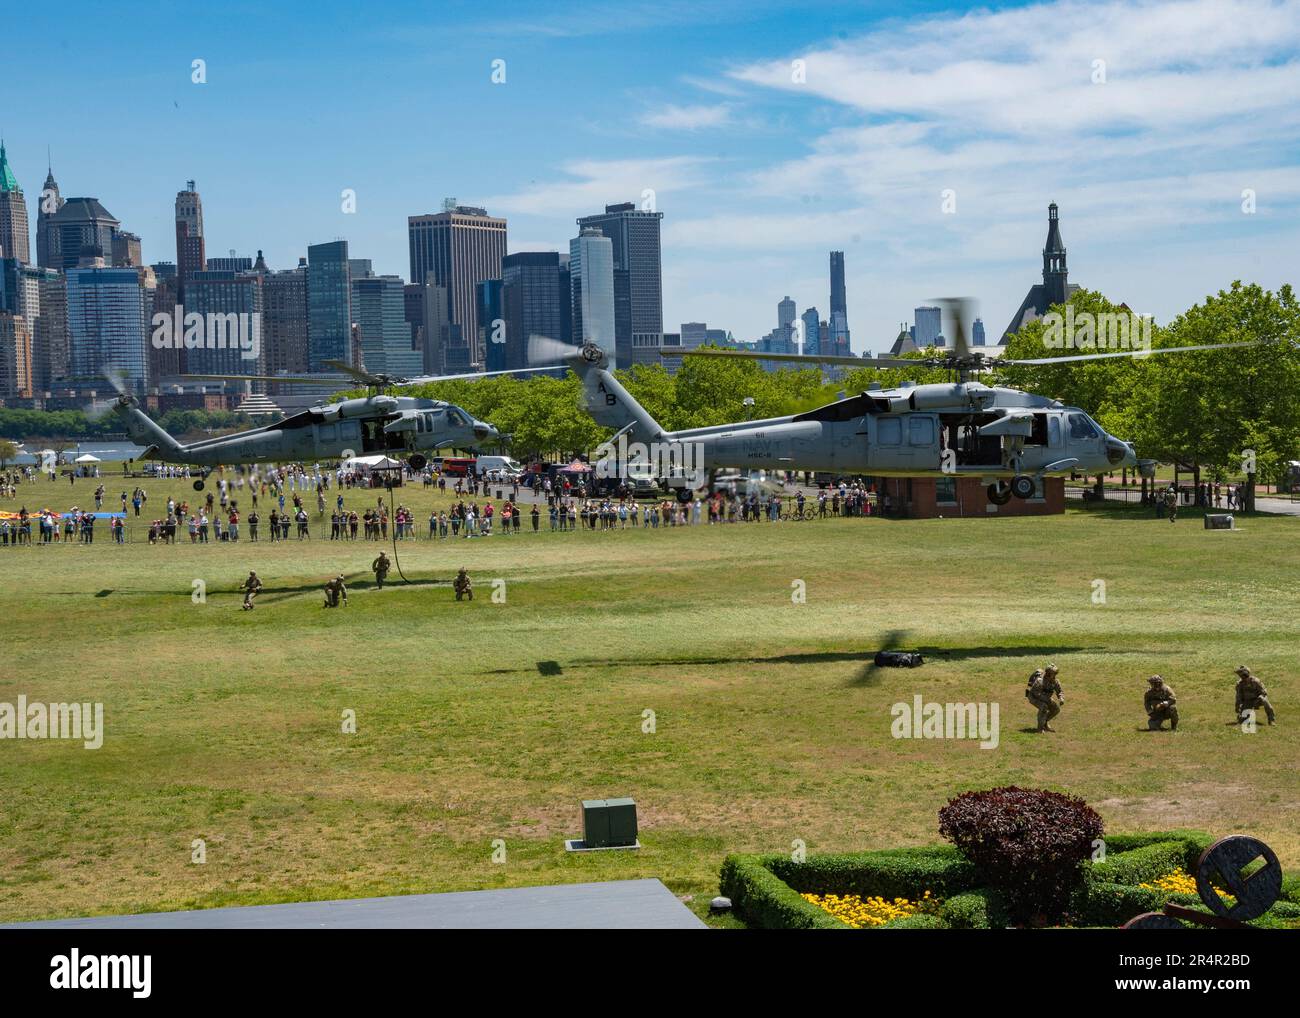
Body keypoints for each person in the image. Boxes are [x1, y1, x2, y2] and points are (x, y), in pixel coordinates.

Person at [1026, 664, 1064, 732]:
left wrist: (1061, 698)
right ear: (1048, 674)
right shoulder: (1040, 681)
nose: (1055, 675)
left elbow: (1059, 690)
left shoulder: (1055, 681)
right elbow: (1036, 693)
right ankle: (1040, 728)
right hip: (1033, 697)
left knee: (1056, 709)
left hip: (1045, 698)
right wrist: (1047, 700)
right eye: (1054, 674)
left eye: (1055, 674)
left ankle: (1045, 723)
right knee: (1044, 707)